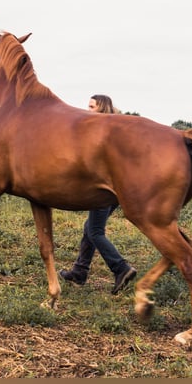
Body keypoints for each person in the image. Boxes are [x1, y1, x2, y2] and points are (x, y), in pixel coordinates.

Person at [59, 95, 137, 294]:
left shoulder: (100, 131)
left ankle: (121, 268)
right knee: (90, 228)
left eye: (91, 106)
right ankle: (80, 271)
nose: (87, 109)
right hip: (115, 188)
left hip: (103, 188)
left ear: (101, 108)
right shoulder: (114, 128)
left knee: (95, 231)